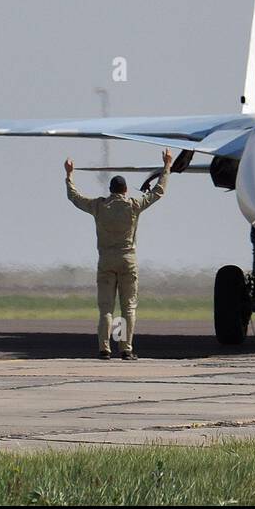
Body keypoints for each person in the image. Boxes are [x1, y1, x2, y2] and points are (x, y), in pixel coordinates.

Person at [65, 149, 173, 359]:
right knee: (128, 308)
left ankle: (104, 348)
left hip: (106, 260)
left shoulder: (99, 205)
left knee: (106, 309)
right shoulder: (133, 205)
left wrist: (69, 175)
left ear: (111, 189)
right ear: (125, 190)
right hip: (127, 260)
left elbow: (74, 197)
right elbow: (158, 192)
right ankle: (125, 348)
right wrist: (167, 166)